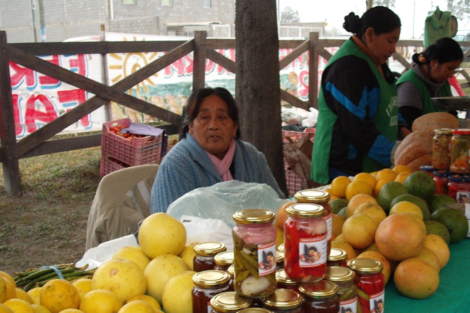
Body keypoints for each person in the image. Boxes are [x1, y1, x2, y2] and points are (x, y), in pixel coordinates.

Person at [311, 6, 409, 184]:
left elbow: (388, 104)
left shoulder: (375, 61)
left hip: (371, 167)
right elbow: (356, 127)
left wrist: (402, 128)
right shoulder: (347, 69)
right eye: (390, 40)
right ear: (370, 34)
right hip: (343, 170)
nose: (393, 49)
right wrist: (396, 154)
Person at [150, 87, 284, 213]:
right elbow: (166, 222)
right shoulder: (176, 165)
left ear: (234, 127)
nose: (213, 126)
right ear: (190, 126)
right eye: (204, 118)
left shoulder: (252, 157)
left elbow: (278, 205)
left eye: (221, 117)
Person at [397, 37, 463, 129]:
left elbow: (452, 116)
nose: (451, 75)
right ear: (433, 62)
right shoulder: (409, 86)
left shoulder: (443, 83)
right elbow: (409, 128)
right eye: (449, 68)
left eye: (454, 70)